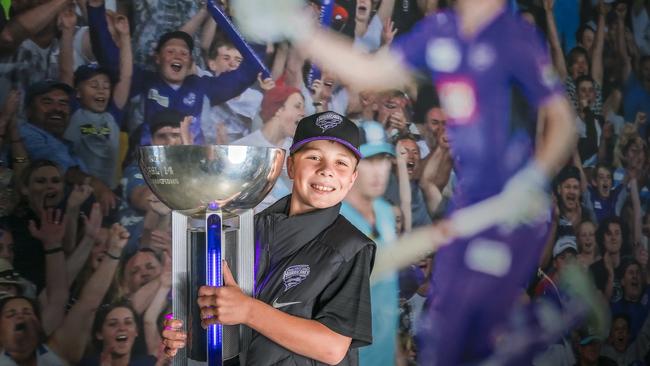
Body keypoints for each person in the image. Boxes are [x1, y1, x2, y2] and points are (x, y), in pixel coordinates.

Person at [231, 0, 578, 363]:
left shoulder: (514, 37)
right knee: (441, 340)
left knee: (476, 328)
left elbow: (563, 123)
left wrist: (530, 180)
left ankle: (543, 326)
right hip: (472, 201)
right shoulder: (440, 30)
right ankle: (545, 322)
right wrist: (299, 29)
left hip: (515, 205)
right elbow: (369, 71)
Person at [162, 111, 375, 365]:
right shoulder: (248, 228)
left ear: (352, 178)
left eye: (341, 163)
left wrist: (248, 310)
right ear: (291, 166)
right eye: (314, 157)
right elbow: (212, 306)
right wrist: (181, 331)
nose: (326, 170)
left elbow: (332, 348)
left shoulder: (349, 247)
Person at [340, 121, 399, 365]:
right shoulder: (334, 220)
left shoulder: (385, 212)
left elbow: (387, 290)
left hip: (384, 353)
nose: (379, 171)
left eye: (384, 160)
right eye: (369, 161)